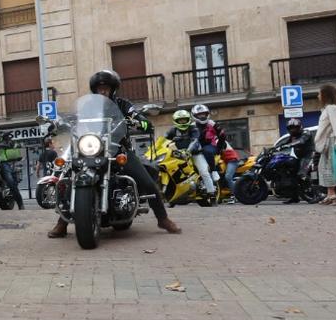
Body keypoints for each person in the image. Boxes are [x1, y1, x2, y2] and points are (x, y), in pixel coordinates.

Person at [48, 71, 181, 238]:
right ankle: (62, 222)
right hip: (91, 148)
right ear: (95, 90)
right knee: (69, 177)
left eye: (106, 88)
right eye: (100, 88)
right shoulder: (88, 107)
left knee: (147, 181)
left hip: (118, 149)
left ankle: (163, 218)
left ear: (113, 89)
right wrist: (60, 123)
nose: (103, 91)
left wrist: (141, 122)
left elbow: (137, 116)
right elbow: (73, 118)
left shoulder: (123, 104)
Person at [167, 108, 214, 195]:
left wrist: (188, 151)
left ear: (188, 119)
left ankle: (211, 192)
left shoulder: (193, 128)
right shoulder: (173, 130)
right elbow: (163, 140)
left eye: (184, 120)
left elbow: (194, 140)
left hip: (195, 154)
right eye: (180, 120)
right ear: (176, 121)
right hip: (179, 155)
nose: (182, 122)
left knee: (204, 172)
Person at [191, 103, 228, 196]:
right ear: (194, 116)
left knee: (206, 150)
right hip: (195, 148)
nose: (202, 116)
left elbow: (222, 134)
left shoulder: (211, 123)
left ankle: (214, 171)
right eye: (199, 115)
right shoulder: (192, 126)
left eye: (204, 114)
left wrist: (220, 146)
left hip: (210, 145)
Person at [281, 116, 314, 204]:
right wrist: (274, 148)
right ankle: (294, 197)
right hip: (299, 157)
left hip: (309, 156)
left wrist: (289, 145)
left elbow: (301, 141)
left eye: (295, 128)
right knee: (291, 175)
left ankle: (315, 194)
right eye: (291, 128)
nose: (293, 130)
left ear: (299, 127)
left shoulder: (306, 132)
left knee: (301, 174)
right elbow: (285, 143)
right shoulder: (292, 136)